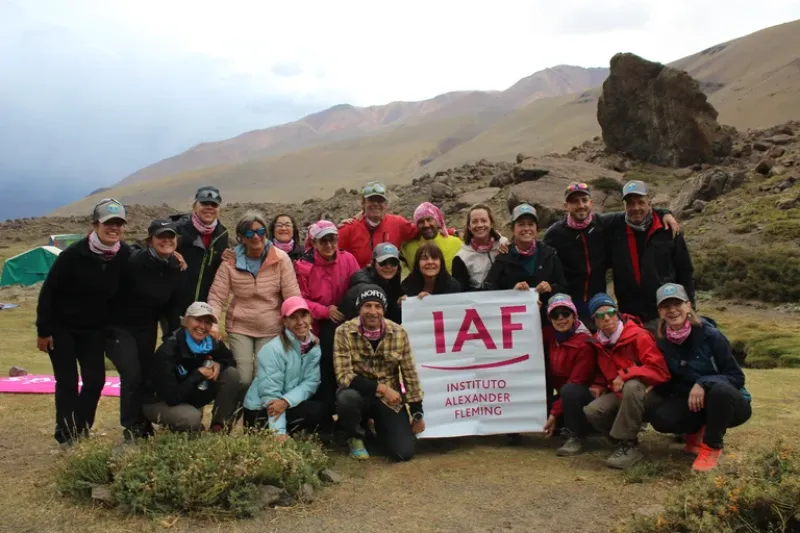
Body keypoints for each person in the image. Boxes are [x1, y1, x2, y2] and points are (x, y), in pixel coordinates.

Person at [35, 198, 131, 446]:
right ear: (95, 224)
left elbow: (149, 260)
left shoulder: (126, 254)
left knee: (95, 380)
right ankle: (66, 434)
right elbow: (49, 293)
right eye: (109, 223)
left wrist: (175, 257)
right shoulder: (73, 255)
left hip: (94, 330)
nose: (114, 228)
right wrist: (44, 331)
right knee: (67, 381)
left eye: (119, 223)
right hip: (62, 327)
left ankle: (81, 427)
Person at [645, 283, 752, 472]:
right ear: (660, 311)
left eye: (677, 304)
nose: (672, 310)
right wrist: (654, 384)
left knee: (719, 391)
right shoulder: (661, 341)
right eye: (666, 306)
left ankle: (711, 447)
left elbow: (736, 376)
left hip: (730, 402)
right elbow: (671, 380)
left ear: (688, 306)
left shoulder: (711, 335)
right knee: (662, 419)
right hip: (694, 402)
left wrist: (703, 383)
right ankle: (696, 431)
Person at [543, 182, 680, 329]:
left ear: (591, 202)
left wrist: (664, 213)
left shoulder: (604, 223)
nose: (580, 205)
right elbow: (542, 258)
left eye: (584, 200)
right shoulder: (555, 233)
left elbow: (637, 210)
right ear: (566, 206)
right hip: (568, 302)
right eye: (574, 201)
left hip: (596, 301)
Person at [106, 219, 184, 442]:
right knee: (131, 375)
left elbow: (172, 305)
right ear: (150, 240)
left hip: (145, 327)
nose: (166, 241)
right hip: (118, 327)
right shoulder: (133, 262)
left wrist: (172, 337)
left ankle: (143, 423)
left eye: (170, 237)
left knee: (146, 375)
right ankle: (131, 428)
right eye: (161, 237)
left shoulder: (174, 267)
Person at [207, 211, 301, 393]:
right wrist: (213, 323)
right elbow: (217, 296)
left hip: (270, 326)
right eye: (249, 234)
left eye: (260, 232)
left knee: (263, 375)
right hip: (240, 326)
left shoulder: (281, 259)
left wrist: (296, 325)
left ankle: (256, 418)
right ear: (241, 237)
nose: (256, 237)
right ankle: (234, 413)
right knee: (243, 378)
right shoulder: (230, 261)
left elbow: (292, 296)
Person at [334, 285, 425, 461]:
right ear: (359, 309)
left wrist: (417, 412)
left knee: (402, 453)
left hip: (389, 400)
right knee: (346, 399)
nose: (372, 312)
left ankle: (375, 430)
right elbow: (343, 375)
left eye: (378, 306)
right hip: (359, 394)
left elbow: (409, 373)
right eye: (367, 306)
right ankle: (355, 436)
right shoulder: (343, 332)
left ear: (384, 310)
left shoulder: (399, 333)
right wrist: (382, 388)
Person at [582, 293, 671, 469]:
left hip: (649, 393)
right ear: (594, 320)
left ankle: (628, 445)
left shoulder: (639, 335)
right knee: (592, 411)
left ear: (618, 313)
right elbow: (602, 370)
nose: (607, 318)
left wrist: (625, 373)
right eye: (600, 315)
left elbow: (661, 371)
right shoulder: (598, 342)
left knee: (631, 386)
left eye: (611, 312)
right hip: (619, 393)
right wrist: (598, 384)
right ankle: (624, 441)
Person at [607, 180, 695, 332]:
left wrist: (690, 308)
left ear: (649, 202)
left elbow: (685, 271)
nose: (635, 208)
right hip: (630, 316)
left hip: (665, 313)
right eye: (630, 203)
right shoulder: (615, 228)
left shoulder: (668, 230)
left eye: (641, 202)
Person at [142, 302, 240, 433]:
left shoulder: (211, 342)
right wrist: (198, 374)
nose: (203, 326)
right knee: (191, 418)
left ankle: (219, 426)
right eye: (198, 320)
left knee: (231, 374)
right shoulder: (169, 350)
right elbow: (172, 397)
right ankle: (178, 426)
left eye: (207, 323)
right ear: (185, 321)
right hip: (159, 401)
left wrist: (219, 364)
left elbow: (229, 360)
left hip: (187, 394)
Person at [295, 220, 361, 412]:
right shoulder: (303, 266)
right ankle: (324, 415)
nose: (329, 245)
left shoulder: (348, 259)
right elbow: (300, 299)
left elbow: (358, 283)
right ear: (314, 243)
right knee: (322, 372)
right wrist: (325, 311)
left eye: (333, 239)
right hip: (315, 328)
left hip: (344, 324)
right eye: (323, 241)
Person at [242, 297, 326, 440]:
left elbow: (311, 382)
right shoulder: (273, 350)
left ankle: (291, 433)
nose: (300, 322)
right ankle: (276, 434)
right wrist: (278, 432)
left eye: (304, 316)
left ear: (310, 318)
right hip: (260, 410)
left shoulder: (314, 347)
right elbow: (270, 396)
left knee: (319, 410)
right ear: (284, 321)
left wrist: (286, 401)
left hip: (285, 404)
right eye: (293, 317)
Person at [540, 294, 605, 457]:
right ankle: (567, 425)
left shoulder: (584, 343)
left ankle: (577, 436)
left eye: (565, 313)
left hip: (582, 394)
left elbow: (577, 380)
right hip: (564, 396)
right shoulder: (550, 335)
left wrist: (554, 413)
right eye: (555, 315)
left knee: (570, 391)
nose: (561, 319)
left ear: (574, 315)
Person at [483, 203, 567, 317]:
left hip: (548, 322)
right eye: (521, 224)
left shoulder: (549, 254)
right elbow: (489, 291)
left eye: (530, 224)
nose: (526, 228)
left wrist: (550, 288)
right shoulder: (503, 257)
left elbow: (563, 287)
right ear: (513, 229)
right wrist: (512, 293)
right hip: (515, 323)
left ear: (536, 228)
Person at [171, 186, 229, 326]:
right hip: (174, 304)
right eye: (204, 203)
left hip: (204, 306)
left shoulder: (222, 234)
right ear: (194, 206)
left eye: (214, 204)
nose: (209, 207)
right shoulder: (176, 229)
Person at [337, 181, 418, 268]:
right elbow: (329, 255)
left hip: (391, 279)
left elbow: (424, 230)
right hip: (359, 280)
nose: (375, 204)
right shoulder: (348, 229)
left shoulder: (398, 223)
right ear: (363, 203)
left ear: (386, 204)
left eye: (380, 200)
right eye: (371, 200)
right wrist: (333, 230)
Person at [341, 242, 403, 324]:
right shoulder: (362, 288)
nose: (388, 266)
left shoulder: (394, 281)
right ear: (373, 263)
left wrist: (402, 306)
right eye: (383, 262)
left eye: (393, 262)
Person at [451, 203, 507, 291]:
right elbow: (460, 292)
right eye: (474, 222)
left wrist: (506, 258)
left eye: (484, 220)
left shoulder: (505, 245)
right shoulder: (461, 258)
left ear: (491, 223)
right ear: (469, 226)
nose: (480, 225)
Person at [401, 202, 463, 273]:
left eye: (429, 219)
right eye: (421, 222)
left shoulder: (457, 243)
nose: (426, 225)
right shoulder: (407, 247)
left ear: (437, 221)